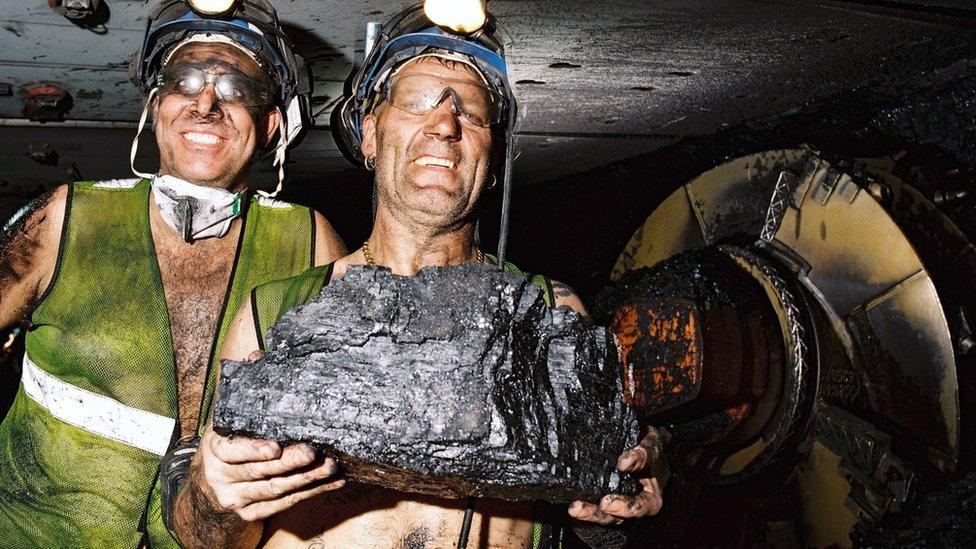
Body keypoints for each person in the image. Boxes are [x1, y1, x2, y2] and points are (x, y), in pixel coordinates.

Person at [171, 4, 663, 548]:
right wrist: (213, 499)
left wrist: (617, 507)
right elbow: (205, 539)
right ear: (370, 135)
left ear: (494, 155)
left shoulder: (549, 314)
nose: (444, 125)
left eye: (472, 115)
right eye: (415, 104)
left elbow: (596, 519)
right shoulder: (276, 315)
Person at [0, 0, 346, 546]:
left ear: (270, 123)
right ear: (155, 107)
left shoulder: (311, 243)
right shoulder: (64, 218)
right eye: (184, 82)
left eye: (237, 90)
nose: (206, 103)